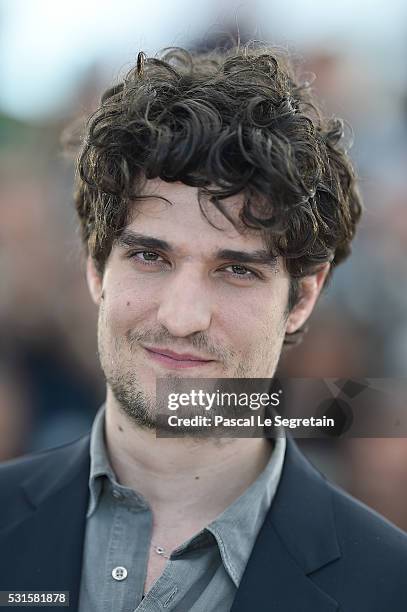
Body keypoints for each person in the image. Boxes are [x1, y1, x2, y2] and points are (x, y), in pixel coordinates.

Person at [1, 45, 406, 612]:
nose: (181, 316)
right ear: (96, 269)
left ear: (302, 298)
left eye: (236, 270)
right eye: (150, 257)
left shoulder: (390, 587)